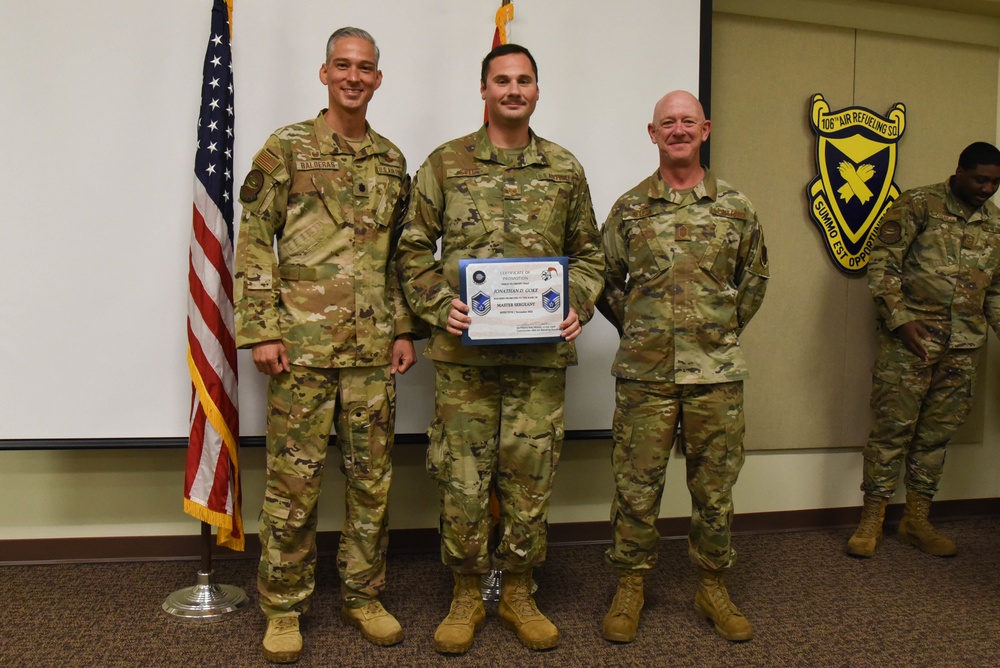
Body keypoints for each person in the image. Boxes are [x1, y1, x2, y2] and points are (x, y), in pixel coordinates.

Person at [395, 43, 604, 654]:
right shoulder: (445, 164)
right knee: (462, 480)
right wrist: (440, 305)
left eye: (524, 81)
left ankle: (517, 591)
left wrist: (577, 305)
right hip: (465, 363)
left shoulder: (564, 169)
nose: (513, 90)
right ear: (483, 89)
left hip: (538, 366)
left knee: (529, 479)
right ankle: (465, 594)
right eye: (502, 80)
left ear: (537, 90)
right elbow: (411, 251)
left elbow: (589, 255)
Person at [233, 27, 420, 663]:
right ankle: (283, 606)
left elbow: (399, 255)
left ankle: (363, 595)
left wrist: (400, 326)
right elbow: (256, 239)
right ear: (324, 72)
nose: (353, 77)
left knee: (372, 483)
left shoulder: (392, 161)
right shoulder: (286, 149)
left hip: (372, 354)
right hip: (302, 350)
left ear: (377, 78)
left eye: (365, 68)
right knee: (293, 484)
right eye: (343, 65)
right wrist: (261, 329)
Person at [598, 91, 769, 644]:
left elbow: (755, 281)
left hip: (715, 376)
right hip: (645, 377)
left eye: (687, 121)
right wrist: (645, 332)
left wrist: (715, 334)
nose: (678, 129)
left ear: (706, 129)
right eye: (667, 122)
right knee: (635, 487)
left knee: (714, 489)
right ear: (652, 133)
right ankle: (630, 585)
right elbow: (604, 283)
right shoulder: (627, 210)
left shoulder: (736, 208)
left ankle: (713, 584)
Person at [847, 142, 1000, 559]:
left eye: (995, 182)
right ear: (959, 171)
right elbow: (881, 264)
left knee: (936, 437)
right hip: (911, 343)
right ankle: (871, 520)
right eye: (980, 179)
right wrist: (900, 320)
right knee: (891, 432)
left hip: (963, 348)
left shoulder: (995, 224)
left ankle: (917, 519)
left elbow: (996, 292)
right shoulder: (919, 204)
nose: (987, 188)